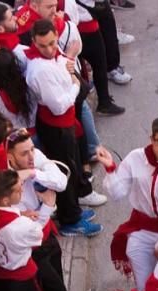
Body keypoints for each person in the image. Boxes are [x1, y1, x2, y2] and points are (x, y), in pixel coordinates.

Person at [5, 128, 81, 291]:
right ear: (10, 158)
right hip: (32, 248)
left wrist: (32, 173)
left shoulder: (33, 161)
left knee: (60, 288)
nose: (31, 156)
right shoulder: (6, 183)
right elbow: (26, 224)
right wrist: (45, 206)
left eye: (32, 150)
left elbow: (59, 181)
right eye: (23, 154)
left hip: (47, 236)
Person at [97, 116, 158, 291]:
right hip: (141, 230)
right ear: (151, 139)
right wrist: (110, 168)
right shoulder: (135, 158)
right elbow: (117, 194)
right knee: (144, 286)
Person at [25, 19, 100, 237]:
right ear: (34, 42)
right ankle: (70, 220)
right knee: (64, 171)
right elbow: (58, 106)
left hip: (63, 123)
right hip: (55, 124)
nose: (49, 49)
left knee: (72, 165)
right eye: (43, 46)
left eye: (52, 43)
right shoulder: (40, 70)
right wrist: (75, 86)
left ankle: (73, 210)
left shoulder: (53, 56)